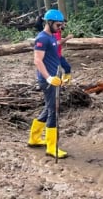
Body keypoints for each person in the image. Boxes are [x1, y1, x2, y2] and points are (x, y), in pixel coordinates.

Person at [27, 9, 68, 158]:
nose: (60, 28)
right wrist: (49, 78)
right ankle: (52, 147)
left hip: (54, 78)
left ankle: (34, 138)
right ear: (49, 23)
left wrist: (65, 39)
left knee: (48, 107)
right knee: (53, 111)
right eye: (58, 25)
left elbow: (54, 44)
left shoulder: (50, 37)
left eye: (61, 25)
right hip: (48, 81)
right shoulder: (42, 38)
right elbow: (37, 60)